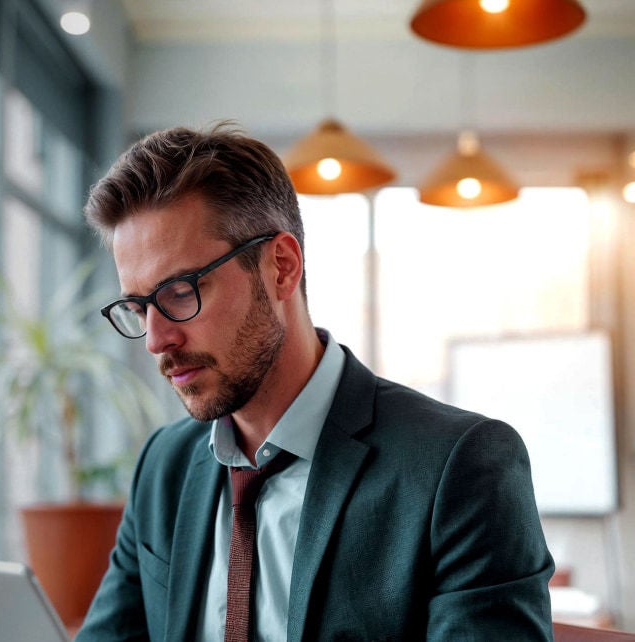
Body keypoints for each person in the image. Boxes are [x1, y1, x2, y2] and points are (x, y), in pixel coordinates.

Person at [75, 123, 553, 641]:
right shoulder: (163, 467)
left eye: (179, 291)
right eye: (138, 306)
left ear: (281, 267)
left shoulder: (460, 467)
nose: (155, 339)